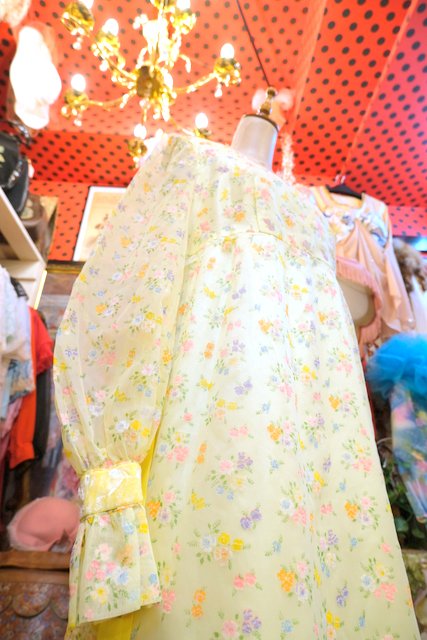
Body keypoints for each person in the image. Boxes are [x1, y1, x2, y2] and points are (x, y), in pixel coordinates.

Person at [54, 95, 420, 639]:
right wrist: (110, 466)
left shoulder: (316, 223)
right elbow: (123, 308)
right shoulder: (187, 162)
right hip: (204, 444)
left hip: (318, 474)